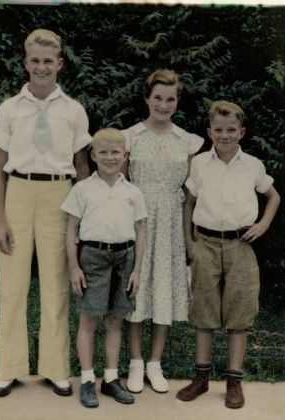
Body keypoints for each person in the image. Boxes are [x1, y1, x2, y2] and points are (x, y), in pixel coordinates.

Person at [0, 29, 91, 397]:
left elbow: (82, 166)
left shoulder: (74, 110)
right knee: (12, 284)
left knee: (56, 283)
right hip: (18, 191)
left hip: (59, 196)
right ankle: (9, 367)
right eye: (35, 60)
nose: (42, 67)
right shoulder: (9, 108)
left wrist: (84, 216)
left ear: (60, 64)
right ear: (25, 62)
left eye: (49, 61)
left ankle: (55, 367)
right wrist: (0, 219)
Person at [176, 100, 280, 408]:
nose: (224, 135)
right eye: (218, 130)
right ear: (209, 131)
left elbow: (273, 196)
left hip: (241, 246)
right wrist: (189, 243)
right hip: (205, 243)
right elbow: (189, 204)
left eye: (231, 130)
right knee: (204, 313)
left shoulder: (253, 165)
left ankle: (234, 380)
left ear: (242, 132)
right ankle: (201, 378)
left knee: (239, 314)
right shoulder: (199, 164)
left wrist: (262, 225)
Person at [121, 69, 204, 393]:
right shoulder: (130, 137)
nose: (164, 104)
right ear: (147, 98)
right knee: (137, 291)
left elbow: (191, 196)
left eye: (170, 99)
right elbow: (121, 187)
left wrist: (189, 237)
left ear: (177, 101)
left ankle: (155, 363)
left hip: (171, 221)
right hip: (137, 222)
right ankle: (135, 363)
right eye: (158, 97)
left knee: (164, 290)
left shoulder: (187, 141)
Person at [61, 128, 147, 408]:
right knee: (89, 320)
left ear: (125, 156)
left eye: (116, 152)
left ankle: (110, 379)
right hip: (93, 258)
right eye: (104, 152)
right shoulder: (83, 188)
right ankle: (87, 379)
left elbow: (140, 231)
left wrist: (136, 270)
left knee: (114, 321)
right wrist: (74, 267)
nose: (110, 158)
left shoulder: (132, 191)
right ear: (93, 155)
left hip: (124, 257)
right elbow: (71, 228)